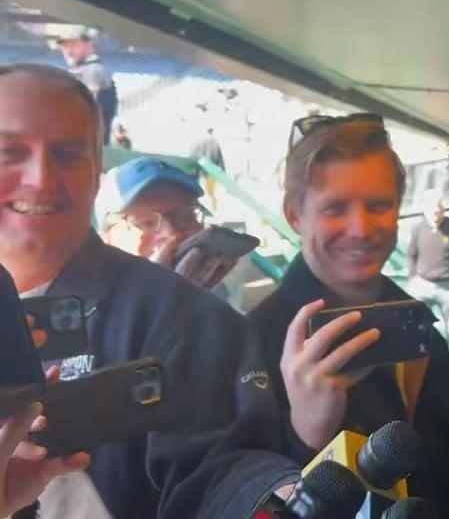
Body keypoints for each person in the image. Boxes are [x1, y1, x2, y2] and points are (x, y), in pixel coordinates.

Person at [0, 63, 297, 518]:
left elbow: (226, 473)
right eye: (9, 152)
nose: (40, 178)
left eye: (67, 155)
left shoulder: (188, 322)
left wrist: (267, 496)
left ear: (97, 173)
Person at [247, 113, 449, 519]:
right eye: (335, 208)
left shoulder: (422, 333)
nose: (360, 228)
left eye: (378, 205)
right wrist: (306, 436)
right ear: (294, 216)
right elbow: (229, 498)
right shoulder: (247, 344)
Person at [96, 156, 240, 298]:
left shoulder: (220, 289)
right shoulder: (90, 302)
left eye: (186, 217)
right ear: (107, 237)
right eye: (148, 222)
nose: (172, 233)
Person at [54, 27, 117, 146]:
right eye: (65, 46)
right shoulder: (80, 71)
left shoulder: (93, 71)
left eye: (74, 45)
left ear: (88, 45)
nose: (68, 51)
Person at [406, 189, 449, 327]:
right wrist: (412, 278)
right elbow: (411, 254)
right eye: (433, 211)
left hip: (447, 286)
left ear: (443, 209)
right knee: (414, 322)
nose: (436, 214)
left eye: (439, 210)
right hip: (422, 283)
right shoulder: (418, 228)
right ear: (425, 210)